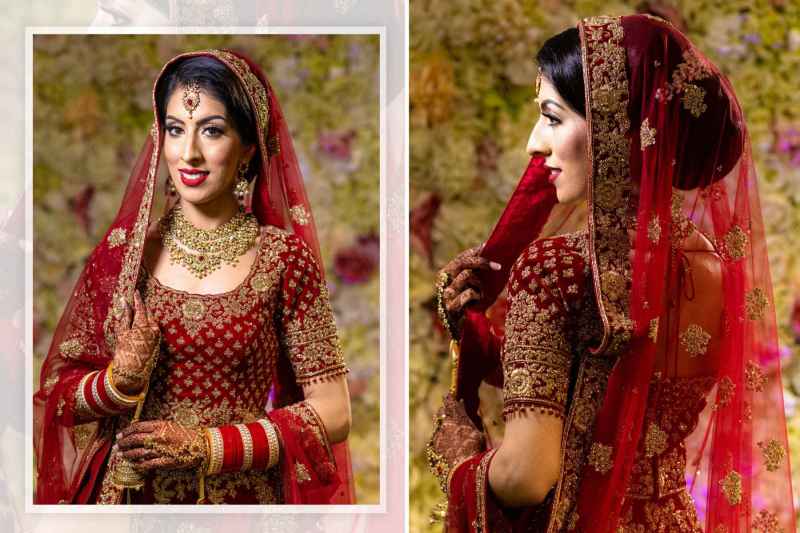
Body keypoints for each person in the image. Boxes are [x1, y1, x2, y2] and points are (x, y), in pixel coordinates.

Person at [428, 14, 795, 532]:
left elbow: (526, 477)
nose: (535, 144)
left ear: (613, 127)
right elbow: (600, 389)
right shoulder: (713, 265)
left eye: (553, 118)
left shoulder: (554, 269)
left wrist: (460, 460)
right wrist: (478, 335)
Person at [33, 49, 355, 505]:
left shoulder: (284, 259)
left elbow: (334, 411)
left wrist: (208, 447)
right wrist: (117, 383)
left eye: (212, 130)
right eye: (175, 129)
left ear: (247, 147)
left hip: (238, 503)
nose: (189, 153)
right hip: (129, 502)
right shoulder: (126, 258)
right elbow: (56, 396)